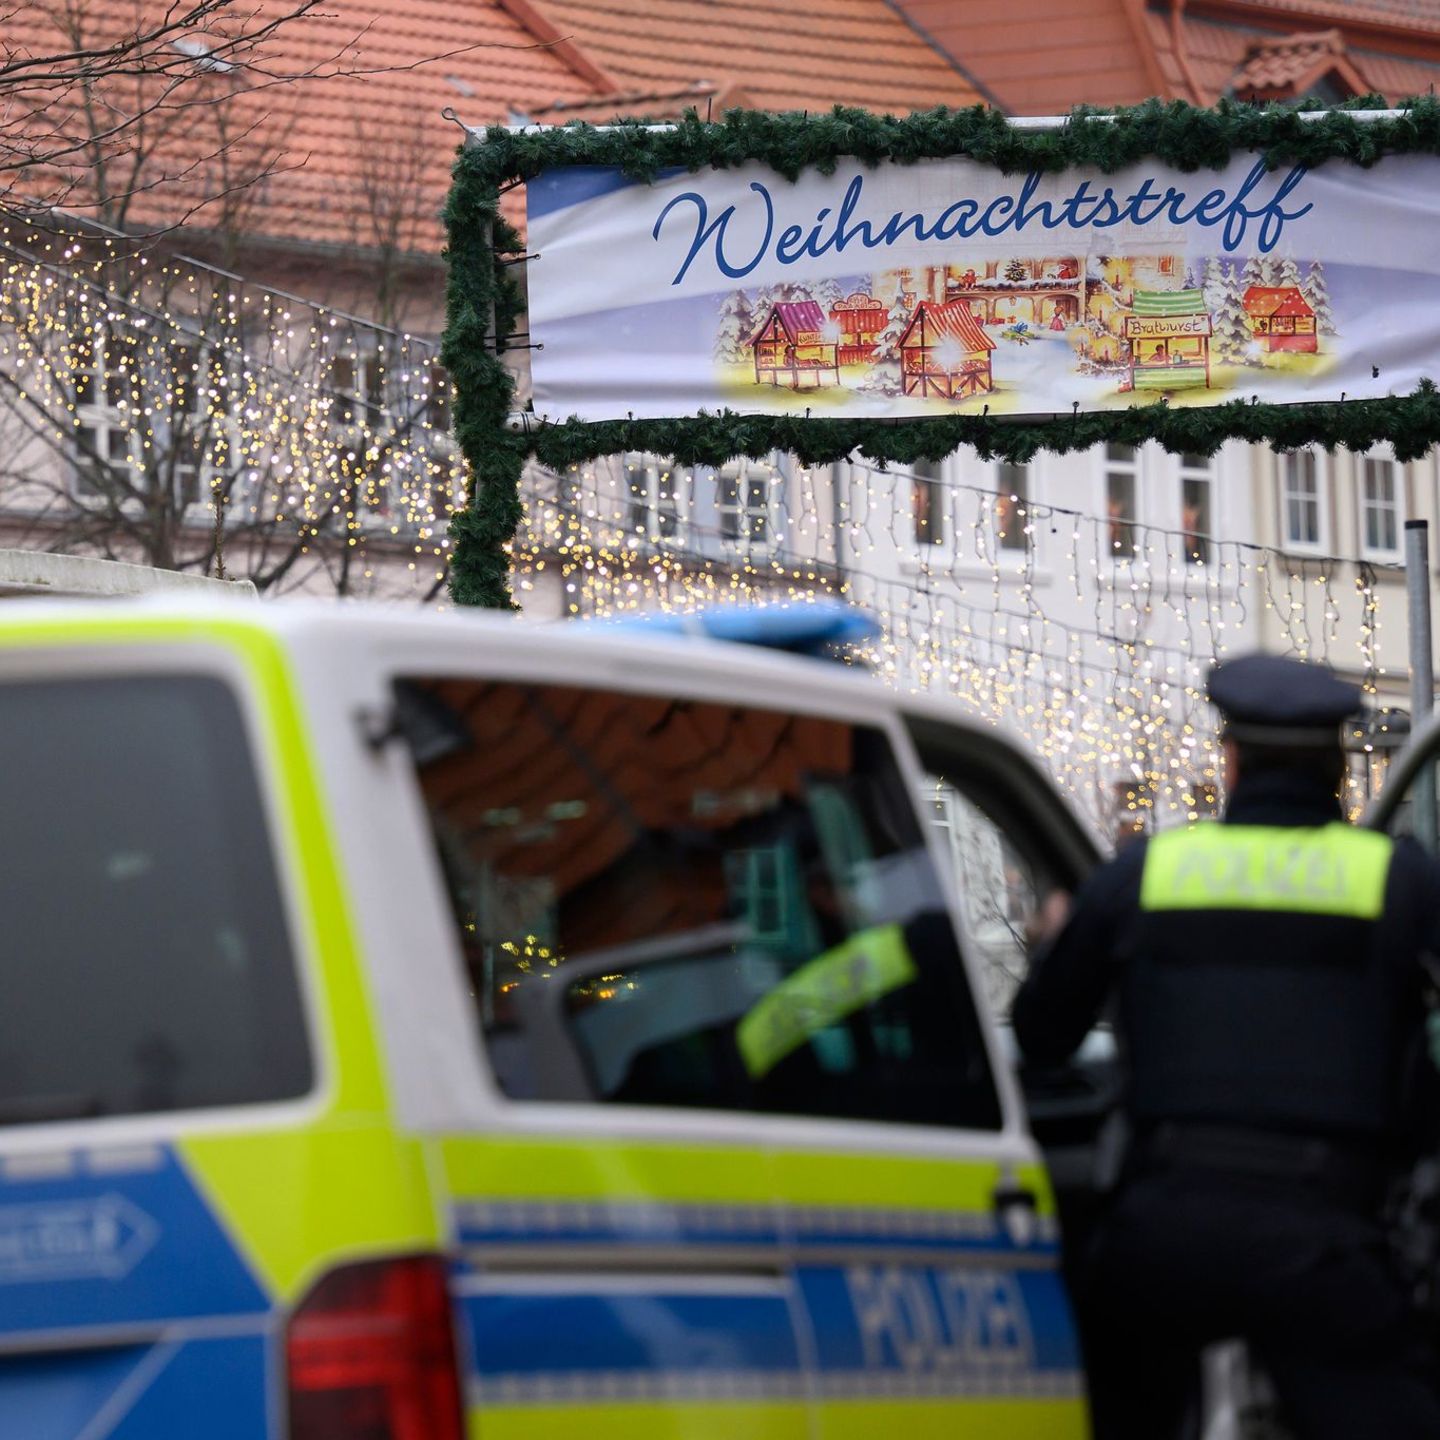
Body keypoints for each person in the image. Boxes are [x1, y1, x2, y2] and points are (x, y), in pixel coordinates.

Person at [1013, 652, 1440, 1440]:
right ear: (1338, 770)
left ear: (1232, 761)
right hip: (1325, 1243)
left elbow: (1041, 1038)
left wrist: (1056, 941)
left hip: (1165, 1235)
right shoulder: (1399, 880)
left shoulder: (1144, 873)